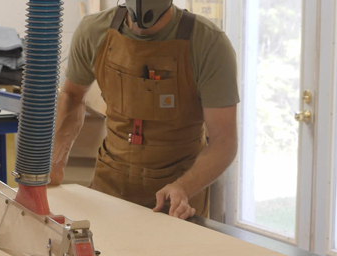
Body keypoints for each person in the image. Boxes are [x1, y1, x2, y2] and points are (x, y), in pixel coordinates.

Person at [49, 0, 239, 219]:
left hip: (175, 202)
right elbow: (72, 96)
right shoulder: (94, 31)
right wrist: (55, 160)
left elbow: (224, 141)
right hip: (108, 190)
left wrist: (184, 187)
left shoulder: (208, 42)